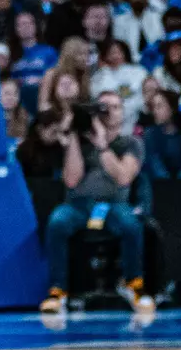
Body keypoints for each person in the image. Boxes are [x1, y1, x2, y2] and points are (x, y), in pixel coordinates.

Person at [39, 91, 145, 315]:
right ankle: (58, 290)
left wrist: (103, 145)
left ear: (123, 114)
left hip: (114, 204)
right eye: (103, 107)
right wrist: (75, 136)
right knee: (57, 221)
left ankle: (132, 284)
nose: (108, 112)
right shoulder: (79, 142)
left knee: (130, 224)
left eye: (115, 107)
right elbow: (71, 180)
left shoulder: (130, 143)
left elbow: (123, 177)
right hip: (79, 204)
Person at [142, 90, 181, 179]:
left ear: (172, 108)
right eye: (153, 107)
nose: (155, 111)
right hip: (160, 185)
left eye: (159, 106)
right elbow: (154, 163)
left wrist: (179, 184)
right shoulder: (150, 133)